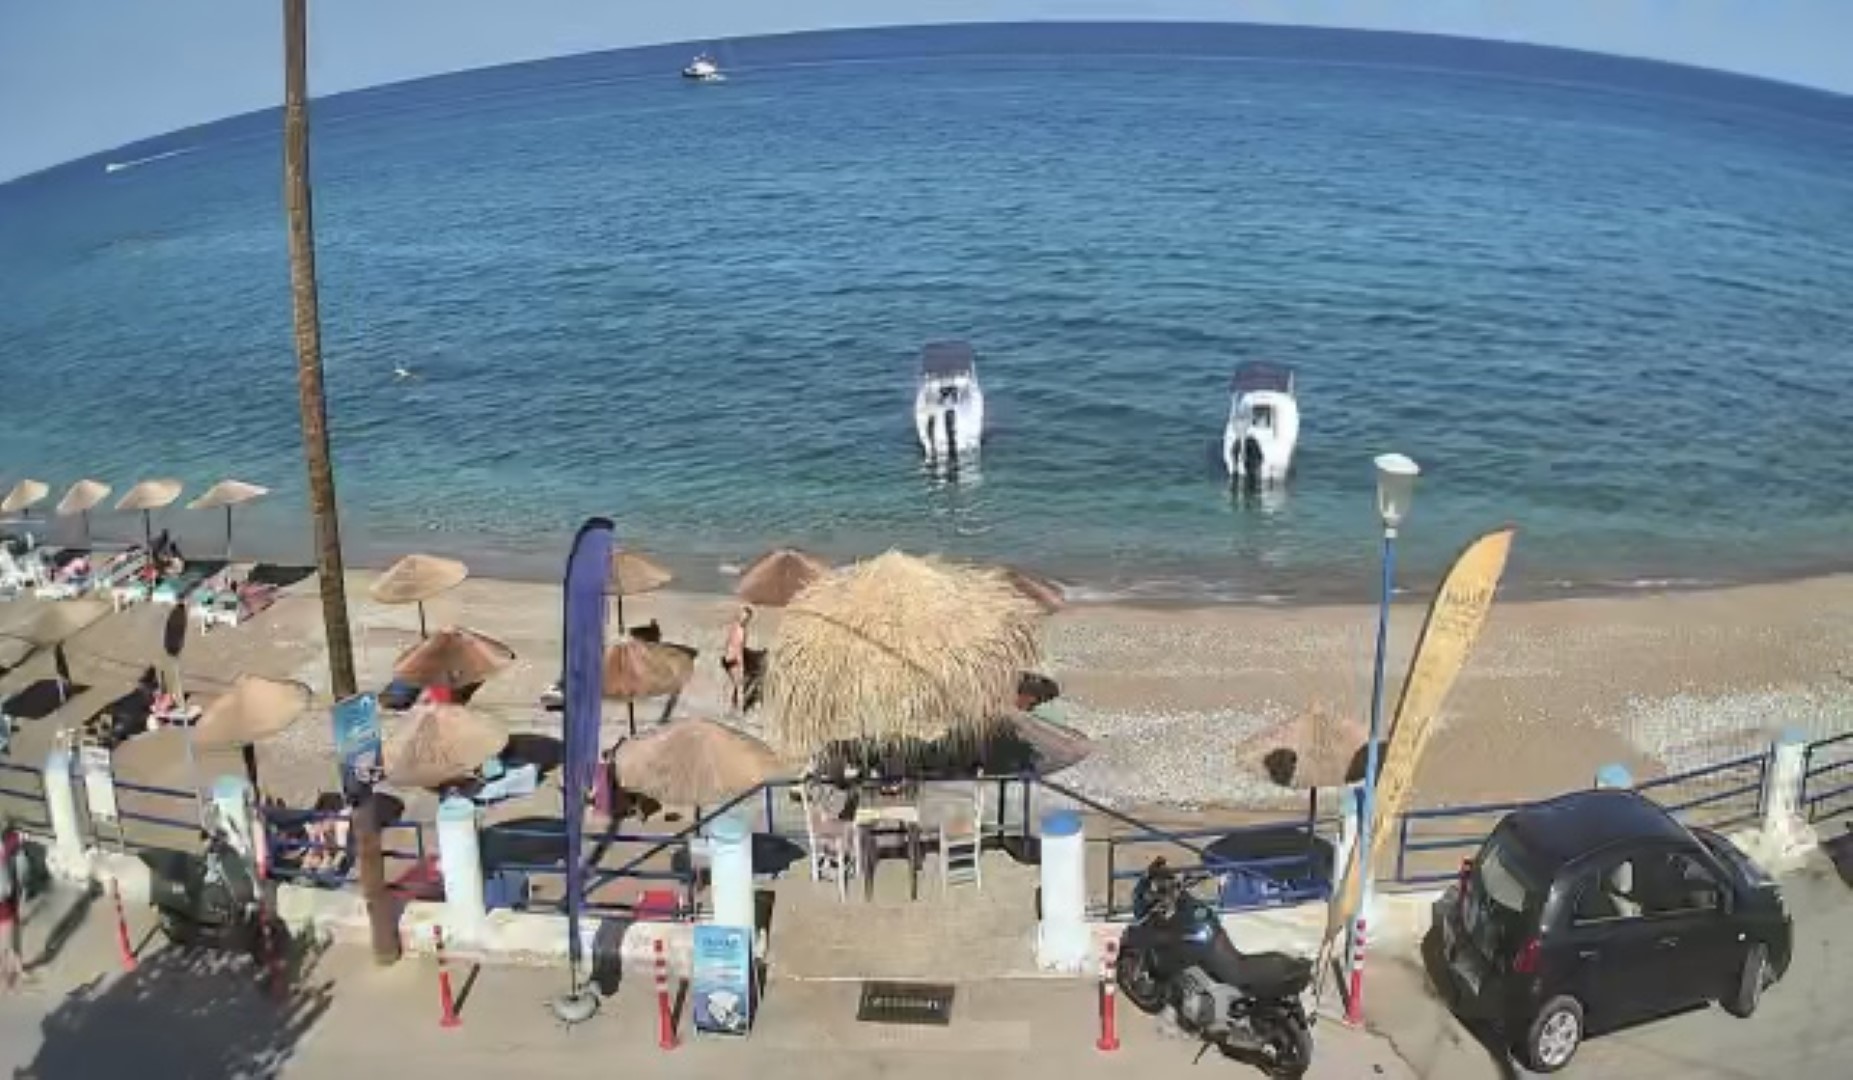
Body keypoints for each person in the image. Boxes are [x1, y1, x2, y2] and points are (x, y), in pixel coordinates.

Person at [722, 605, 753, 713]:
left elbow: (740, 646)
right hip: (731, 658)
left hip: (735, 658)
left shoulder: (743, 630)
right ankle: (730, 707)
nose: (744, 619)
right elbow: (729, 642)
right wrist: (728, 656)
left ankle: (733, 707)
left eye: (747, 618)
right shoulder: (735, 627)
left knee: (735, 684)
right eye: (743, 616)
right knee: (733, 684)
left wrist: (740, 660)